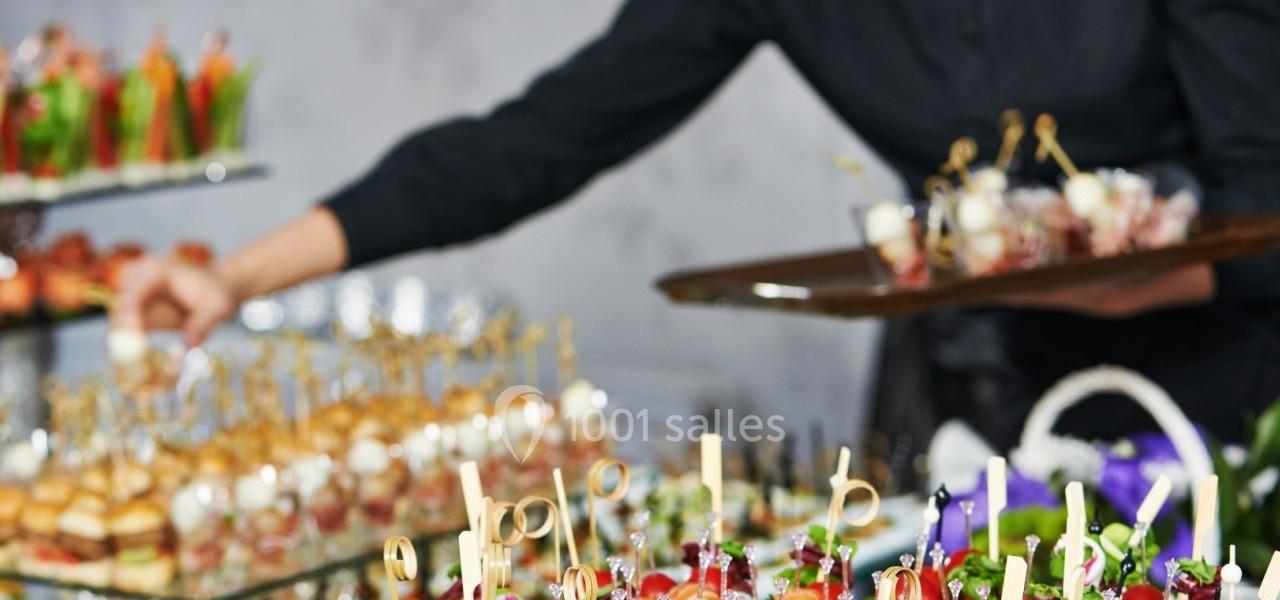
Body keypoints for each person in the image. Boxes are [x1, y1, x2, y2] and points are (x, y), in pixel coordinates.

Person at [117, 0, 1280, 456]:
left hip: (1227, 382)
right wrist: (236, 274)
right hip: (983, 387)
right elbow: (532, 142)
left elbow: (1261, 210)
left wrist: (1127, 283)